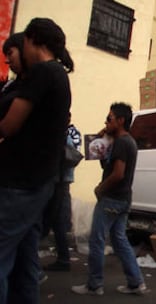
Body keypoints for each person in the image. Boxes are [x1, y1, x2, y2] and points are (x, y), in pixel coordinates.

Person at [0, 18, 73, 304]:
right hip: (38, 181)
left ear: (32, 41)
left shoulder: (43, 73)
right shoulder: (59, 76)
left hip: (20, 182)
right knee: (25, 260)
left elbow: (8, 126)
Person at [72, 102, 148, 296]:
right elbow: (107, 166)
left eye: (109, 118)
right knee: (119, 240)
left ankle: (94, 284)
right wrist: (102, 141)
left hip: (112, 199)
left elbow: (118, 174)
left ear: (121, 121)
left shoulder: (122, 143)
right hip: (123, 199)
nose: (106, 122)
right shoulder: (125, 141)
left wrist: (100, 189)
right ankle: (135, 282)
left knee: (96, 240)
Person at [43, 113, 81, 271]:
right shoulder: (69, 134)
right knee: (58, 221)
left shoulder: (64, 135)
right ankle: (63, 258)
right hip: (62, 182)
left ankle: (63, 259)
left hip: (59, 182)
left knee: (50, 219)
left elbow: (66, 157)